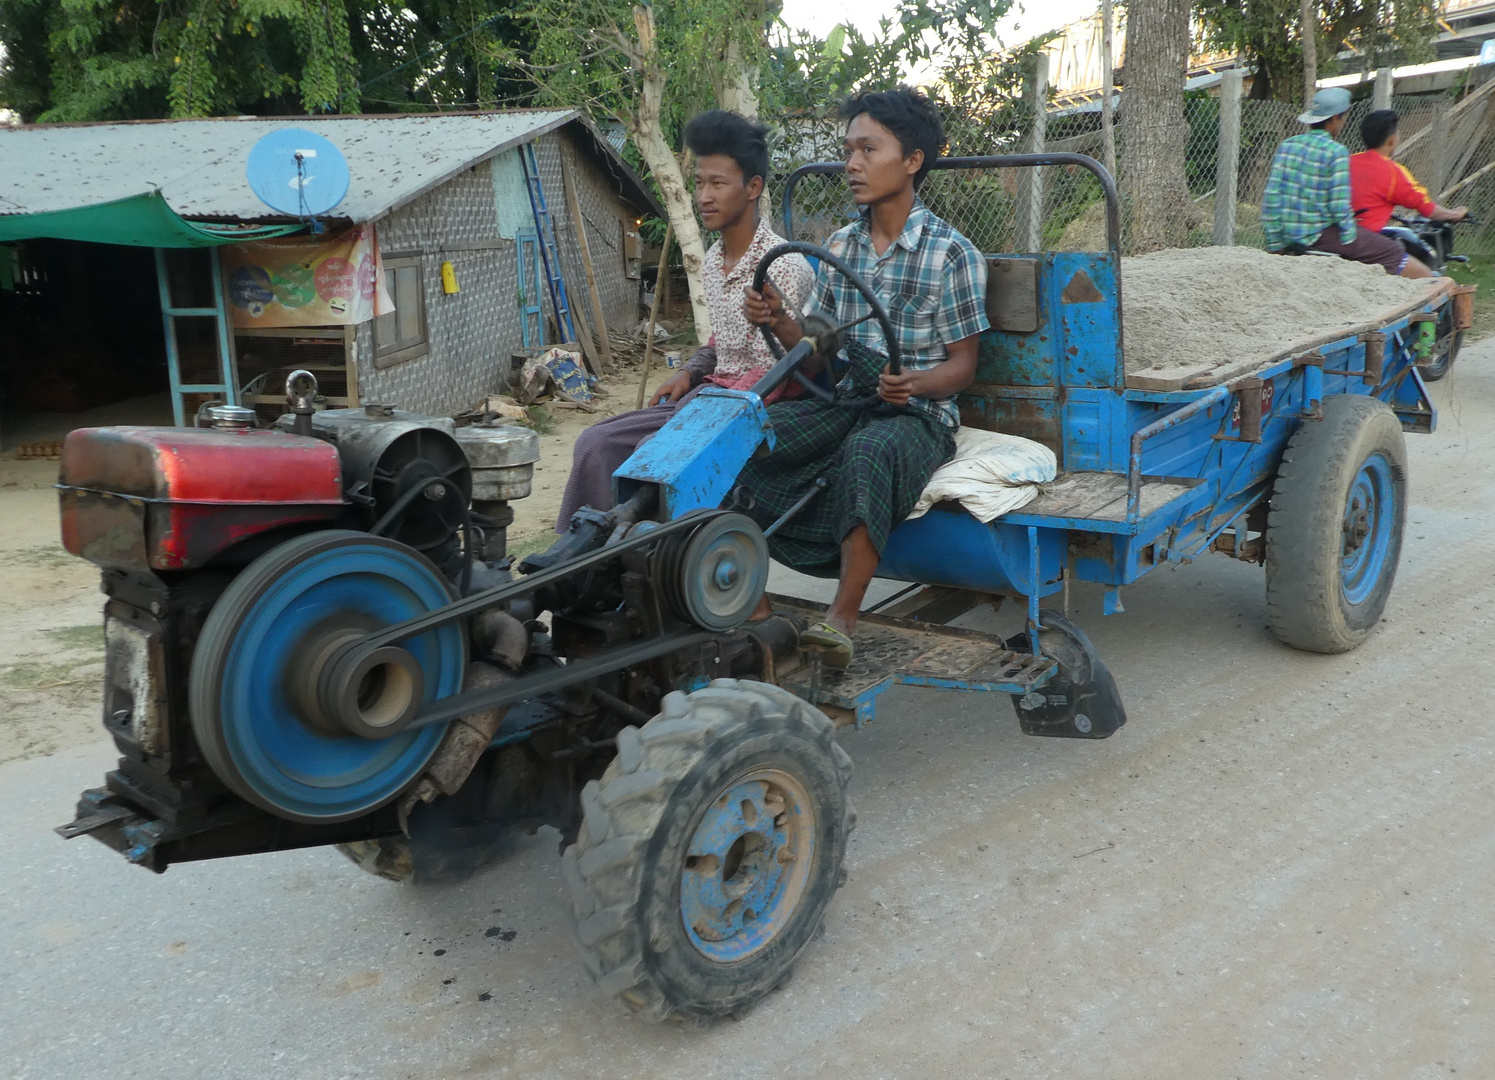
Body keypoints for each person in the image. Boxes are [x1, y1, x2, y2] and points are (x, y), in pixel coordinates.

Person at [739, 86, 989, 668]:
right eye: (848, 149)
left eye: (868, 149)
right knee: (753, 431)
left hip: (917, 414)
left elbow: (963, 367)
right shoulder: (841, 247)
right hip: (848, 396)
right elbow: (820, 356)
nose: (851, 164)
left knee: (870, 450)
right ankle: (747, 600)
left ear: (912, 161)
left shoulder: (951, 254)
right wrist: (779, 319)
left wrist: (914, 385)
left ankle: (842, 617)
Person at [555, 110, 814, 531]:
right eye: (699, 183)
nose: (704, 196)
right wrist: (691, 374)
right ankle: (578, 556)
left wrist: (772, 322)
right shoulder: (712, 261)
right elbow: (721, 342)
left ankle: (637, 562)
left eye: (717, 183)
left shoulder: (783, 265)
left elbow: (793, 365)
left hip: (760, 403)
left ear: (753, 188)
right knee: (595, 442)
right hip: (712, 394)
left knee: (650, 454)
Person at [1261, 87, 1424, 277]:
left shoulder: (1287, 145)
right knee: (1392, 251)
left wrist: (1275, 245)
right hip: (1317, 236)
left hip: (1286, 235)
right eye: (1344, 118)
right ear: (1335, 118)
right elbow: (1339, 208)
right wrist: (1350, 237)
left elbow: (1271, 199)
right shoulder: (1336, 151)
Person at [1351, 108, 1468, 268]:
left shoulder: (1346, 161)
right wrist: (1455, 213)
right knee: (1431, 280)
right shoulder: (1393, 173)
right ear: (1392, 140)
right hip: (1369, 244)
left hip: (1339, 237)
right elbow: (1428, 209)